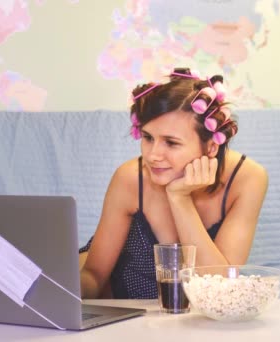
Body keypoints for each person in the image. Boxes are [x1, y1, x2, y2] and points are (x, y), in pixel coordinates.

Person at [79, 67, 268, 299]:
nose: (153, 155)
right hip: (122, 307)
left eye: (171, 142)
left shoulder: (247, 179)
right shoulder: (130, 178)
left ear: (211, 146)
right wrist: (63, 298)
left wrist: (180, 198)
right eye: (148, 138)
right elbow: (94, 275)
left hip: (189, 316)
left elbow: (220, 290)